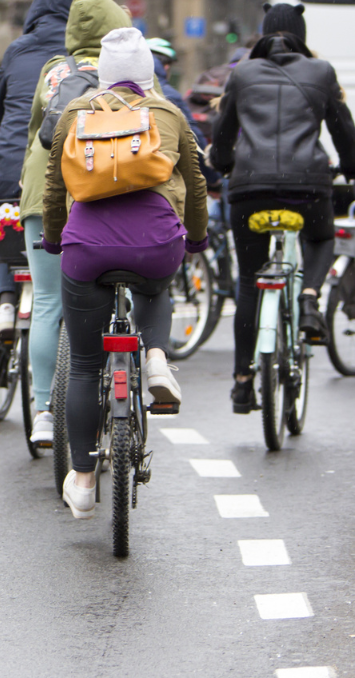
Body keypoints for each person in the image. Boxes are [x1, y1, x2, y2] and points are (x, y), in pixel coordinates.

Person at [42, 27, 207, 519]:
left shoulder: (76, 113)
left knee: (87, 365)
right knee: (156, 286)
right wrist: (194, 237)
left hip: (87, 247)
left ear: (103, 73)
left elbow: (54, 187)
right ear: (148, 74)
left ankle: (86, 479)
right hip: (154, 242)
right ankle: (156, 356)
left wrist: (55, 239)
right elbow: (195, 185)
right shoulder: (169, 114)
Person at [208, 2, 355, 413]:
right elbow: (343, 129)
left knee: (248, 281)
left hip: (249, 189)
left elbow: (223, 134)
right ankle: (309, 296)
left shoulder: (242, 73)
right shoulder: (321, 73)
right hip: (307, 186)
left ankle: (241, 382)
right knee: (323, 238)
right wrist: (349, 167)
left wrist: (222, 165)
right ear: (301, 36)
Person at [18, 0, 132, 446]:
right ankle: (124, 382)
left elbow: (34, 135)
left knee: (47, 301)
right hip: (105, 194)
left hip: (43, 193)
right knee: (123, 286)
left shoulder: (54, 71)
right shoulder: (126, 68)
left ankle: (44, 409)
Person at [0, 0, 72, 392]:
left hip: (5, 171)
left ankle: (3, 303)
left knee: (4, 237)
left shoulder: (17, 49)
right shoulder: (75, 56)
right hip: (56, 174)